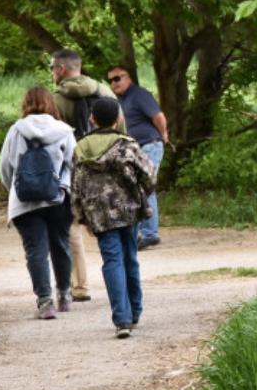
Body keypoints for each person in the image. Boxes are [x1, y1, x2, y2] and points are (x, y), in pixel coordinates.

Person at [70, 99, 156, 339]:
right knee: (130, 257)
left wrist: (81, 216)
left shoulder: (81, 148)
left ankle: (122, 319)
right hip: (128, 210)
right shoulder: (126, 145)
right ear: (118, 119)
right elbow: (149, 175)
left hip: (99, 214)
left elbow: (75, 187)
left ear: (92, 119)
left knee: (112, 260)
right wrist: (140, 195)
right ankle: (135, 311)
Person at [0, 87, 77, 320]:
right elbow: (73, 165)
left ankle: (45, 302)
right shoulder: (64, 131)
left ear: (26, 104)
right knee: (61, 245)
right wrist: (65, 188)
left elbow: (5, 166)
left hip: (25, 201)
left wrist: (14, 189)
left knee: (36, 251)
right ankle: (65, 295)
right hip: (59, 198)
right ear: (51, 103)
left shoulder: (16, 130)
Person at [51, 49, 124, 303]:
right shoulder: (105, 91)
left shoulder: (57, 100)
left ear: (61, 69)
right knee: (110, 226)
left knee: (71, 228)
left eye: (52, 68)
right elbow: (121, 129)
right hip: (108, 169)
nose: (52, 73)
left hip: (75, 169)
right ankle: (120, 280)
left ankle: (79, 286)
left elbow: (53, 140)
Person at [106, 65, 169, 250]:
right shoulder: (120, 100)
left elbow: (158, 116)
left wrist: (163, 135)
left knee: (144, 187)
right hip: (134, 149)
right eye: (110, 80)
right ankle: (142, 232)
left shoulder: (139, 94)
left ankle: (150, 234)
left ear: (129, 78)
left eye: (118, 78)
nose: (114, 83)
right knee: (134, 187)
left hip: (149, 145)